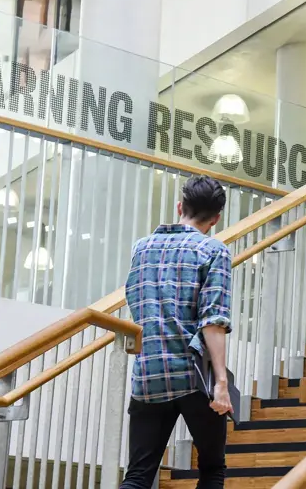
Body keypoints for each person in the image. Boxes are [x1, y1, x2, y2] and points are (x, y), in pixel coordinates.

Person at [121, 175, 234, 489]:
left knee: (138, 475)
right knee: (212, 469)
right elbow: (213, 321)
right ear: (215, 219)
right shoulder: (213, 251)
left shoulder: (140, 249)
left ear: (180, 206)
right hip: (193, 375)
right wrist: (221, 383)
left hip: (148, 374)